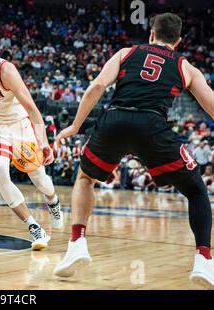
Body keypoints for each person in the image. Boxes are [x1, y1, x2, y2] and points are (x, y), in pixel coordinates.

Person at [53, 13, 214, 288]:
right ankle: (204, 260)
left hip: (114, 120)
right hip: (152, 126)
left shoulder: (126, 52)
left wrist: (75, 125)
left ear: (151, 34)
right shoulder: (186, 66)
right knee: (196, 190)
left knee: (84, 178)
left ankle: (77, 243)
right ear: (177, 41)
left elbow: (97, 86)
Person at [0, 29, 63, 250]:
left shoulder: (5, 70)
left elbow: (33, 109)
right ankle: (34, 227)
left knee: (39, 179)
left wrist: (44, 142)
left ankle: (53, 201)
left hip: (21, 126)